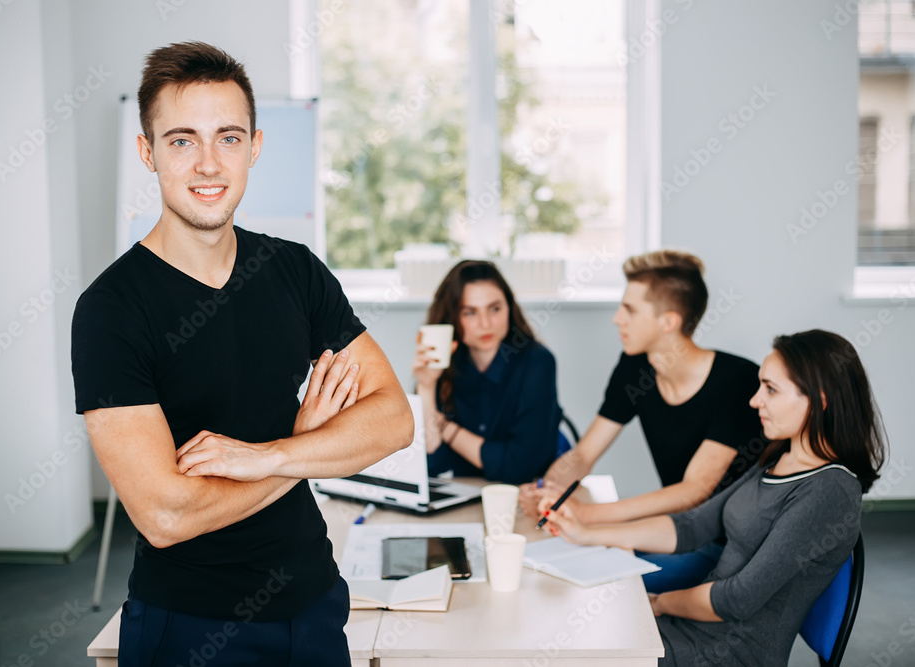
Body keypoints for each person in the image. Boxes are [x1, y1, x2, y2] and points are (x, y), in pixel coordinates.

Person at [71, 42, 413, 666]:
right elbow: (166, 515)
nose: (207, 163)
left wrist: (270, 454)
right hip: (190, 623)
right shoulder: (111, 310)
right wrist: (305, 451)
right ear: (147, 152)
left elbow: (392, 419)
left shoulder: (294, 271)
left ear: (254, 146)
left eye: (227, 138)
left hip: (312, 603)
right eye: (181, 141)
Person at [541, 329, 886, 667]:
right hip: (691, 629)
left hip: (730, 653)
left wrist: (659, 603)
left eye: (770, 389)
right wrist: (586, 531)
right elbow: (692, 525)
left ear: (820, 399)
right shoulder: (777, 456)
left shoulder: (830, 491)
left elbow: (738, 599)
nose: (755, 401)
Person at [520, 250, 765, 593]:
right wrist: (549, 493)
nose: (617, 319)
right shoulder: (636, 367)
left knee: (607, 582)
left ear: (668, 321)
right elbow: (584, 454)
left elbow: (695, 492)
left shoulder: (738, 381)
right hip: (675, 528)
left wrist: (589, 515)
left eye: (630, 310)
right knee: (557, 561)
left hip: (727, 543)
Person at [412, 260, 563, 485]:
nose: (485, 323)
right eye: (470, 312)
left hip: (525, 496)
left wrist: (446, 428)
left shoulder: (537, 363)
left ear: (509, 308)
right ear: (452, 317)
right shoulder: (443, 364)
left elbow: (518, 467)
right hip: (465, 495)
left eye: (494, 309)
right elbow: (431, 461)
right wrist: (426, 387)